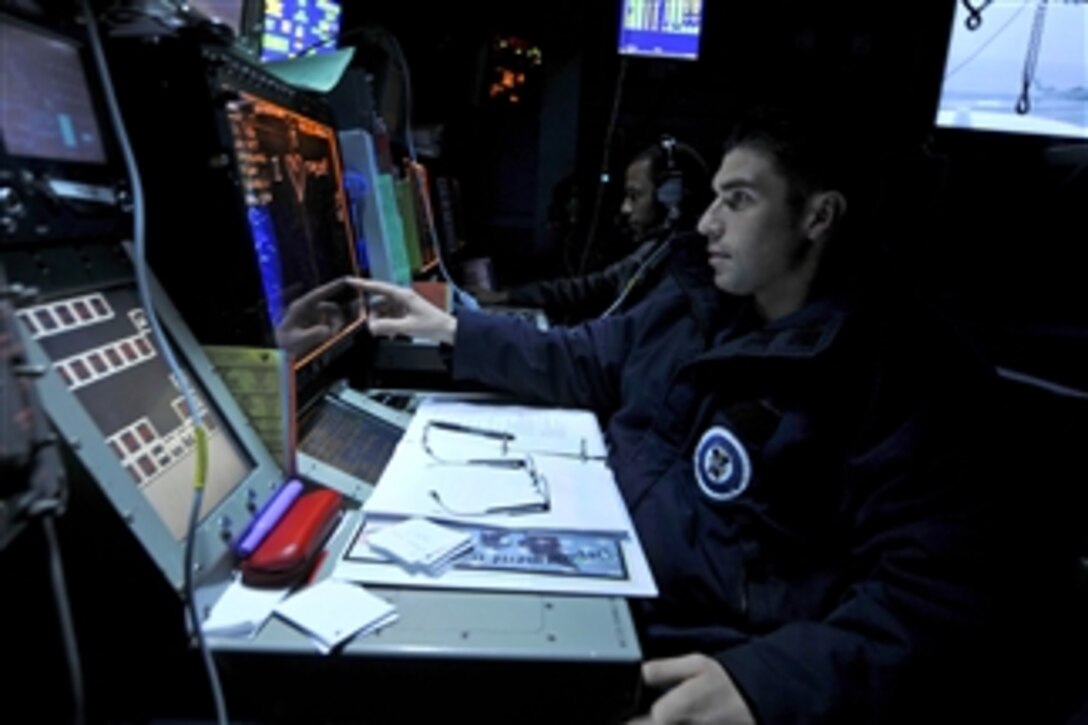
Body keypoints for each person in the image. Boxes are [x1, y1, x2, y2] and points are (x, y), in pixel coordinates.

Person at [280, 108, 1004, 722]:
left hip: (702, 652)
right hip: (604, 587)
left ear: (818, 215)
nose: (709, 222)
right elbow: (586, 358)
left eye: (740, 200)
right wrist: (453, 333)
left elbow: (942, 595)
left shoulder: (901, 369)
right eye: (713, 197)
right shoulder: (698, 301)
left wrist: (768, 683)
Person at [475, 136, 710, 324]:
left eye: (634, 196)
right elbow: (590, 288)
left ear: (671, 197)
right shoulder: (653, 253)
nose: (625, 209)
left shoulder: (680, 274)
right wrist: (508, 296)